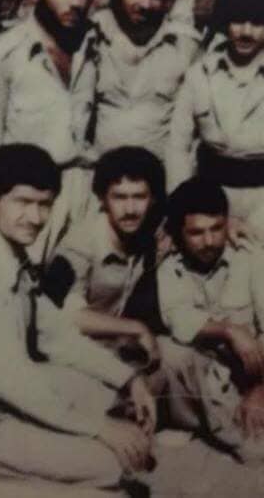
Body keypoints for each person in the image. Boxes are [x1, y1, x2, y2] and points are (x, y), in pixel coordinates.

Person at [0, 144, 156, 490]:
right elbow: (12, 380)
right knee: (113, 462)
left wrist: (128, 379)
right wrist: (98, 428)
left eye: (45, 204)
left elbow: (57, 337)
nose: (36, 217)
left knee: (108, 399)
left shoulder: (9, 255)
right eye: (22, 202)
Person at [0, 0, 103, 263]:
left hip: (85, 194)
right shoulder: (2, 55)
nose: (76, 2)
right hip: (30, 199)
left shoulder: (93, 48)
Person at [166, 0, 264, 243]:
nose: (246, 32)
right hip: (209, 206)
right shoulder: (199, 76)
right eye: (237, 20)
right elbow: (177, 147)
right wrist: (184, 211)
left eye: (256, 22)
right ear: (224, 20)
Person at [157, 178, 264, 461]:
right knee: (168, 350)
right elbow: (176, 317)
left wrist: (259, 392)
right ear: (179, 232)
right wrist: (229, 330)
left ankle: (221, 423)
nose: (209, 241)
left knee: (260, 454)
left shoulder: (255, 254)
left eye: (216, 228)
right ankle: (191, 422)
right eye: (196, 233)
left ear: (228, 222)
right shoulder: (168, 261)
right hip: (203, 371)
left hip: (254, 373)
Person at [44, 146, 167, 370]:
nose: (130, 209)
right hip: (73, 353)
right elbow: (69, 317)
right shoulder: (80, 244)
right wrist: (136, 328)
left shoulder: (149, 232)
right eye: (119, 197)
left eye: (139, 197)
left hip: (117, 347)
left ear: (153, 199)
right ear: (102, 198)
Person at [91, 0, 199, 160]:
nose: (146, 4)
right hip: (98, 171)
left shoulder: (185, 45)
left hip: (160, 172)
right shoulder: (91, 37)